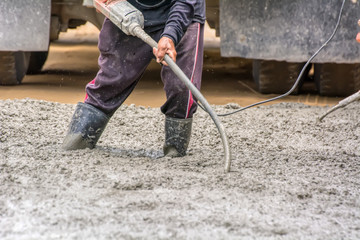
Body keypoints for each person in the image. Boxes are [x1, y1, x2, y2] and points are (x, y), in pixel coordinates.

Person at [62, 0, 206, 157]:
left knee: (181, 88)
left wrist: (170, 34)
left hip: (180, 12)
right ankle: (77, 140)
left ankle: (175, 152)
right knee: (110, 81)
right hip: (128, 9)